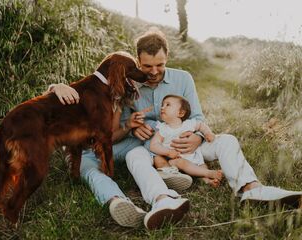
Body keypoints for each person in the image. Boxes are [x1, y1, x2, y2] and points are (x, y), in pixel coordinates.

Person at [49, 28, 302, 230]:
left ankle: (251, 189)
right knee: (135, 156)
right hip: (150, 148)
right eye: (147, 66)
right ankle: (162, 200)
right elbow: (94, 95)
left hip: (186, 142)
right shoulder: (126, 82)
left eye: (159, 64)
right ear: (137, 61)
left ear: (167, 57)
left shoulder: (184, 78)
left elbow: (199, 116)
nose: (154, 72)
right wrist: (55, 86)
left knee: (227, 141)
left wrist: (197, 136)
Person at [45, 53, 193, 230]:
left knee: (138, 152)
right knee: (92, 172)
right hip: (82, 154)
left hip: (111, 149)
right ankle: (118, 201)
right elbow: (50, 105)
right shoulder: (88, 89)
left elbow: (111, 137)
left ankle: (162, 198)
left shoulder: (118, 97)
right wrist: (56, 87)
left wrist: (129, 125)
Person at [150, 94, 223, 187]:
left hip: (193, 156)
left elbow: (201, 125)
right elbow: (154, 145)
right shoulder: (163, 128)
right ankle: (208, 173)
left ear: (180, 113)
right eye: (162, 105)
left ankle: (207, 181)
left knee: (201, 165)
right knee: (179, 162)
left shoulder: (188, 124)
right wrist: (167, 152)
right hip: (175, 160)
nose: (162, 108)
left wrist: (208, 133)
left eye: (167, 105)